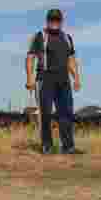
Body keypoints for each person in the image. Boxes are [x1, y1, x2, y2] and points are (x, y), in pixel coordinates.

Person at [26, 9, 83, 155]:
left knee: (66, 113)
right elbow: (30, 57)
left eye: (57, 20)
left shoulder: (67, 38)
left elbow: (71, 59)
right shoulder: (40, 36)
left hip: (64, 80)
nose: (54, 22)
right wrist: (30, 78)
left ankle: (68, 147)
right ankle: (47, 146)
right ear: (47, 21)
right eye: (52, 20)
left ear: (61, 21)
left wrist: (76, 78)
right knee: (45, 113)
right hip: (45, 79)